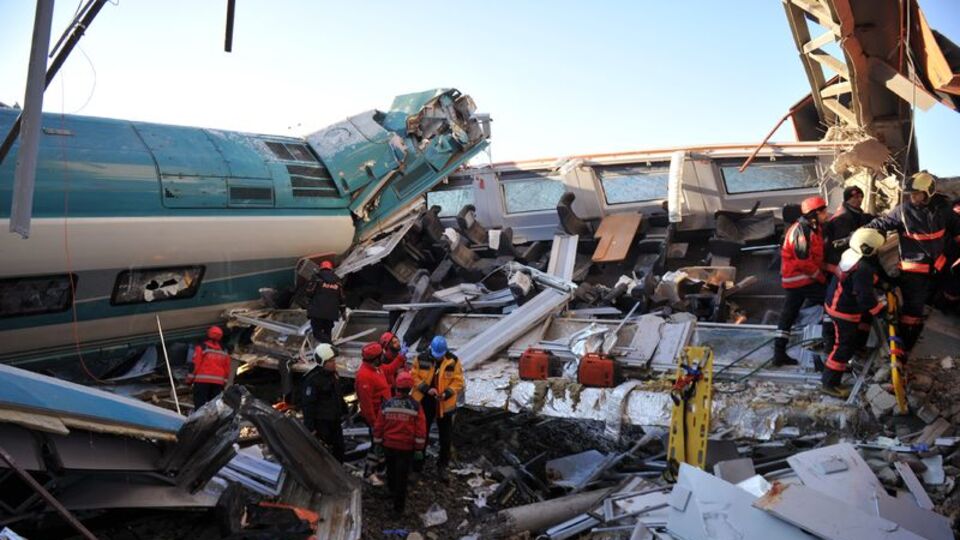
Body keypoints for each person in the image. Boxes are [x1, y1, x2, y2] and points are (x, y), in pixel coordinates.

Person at [866, 171, 960, 357]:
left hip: (937, 268)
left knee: (944, 296)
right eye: (910, 194)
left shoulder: (943, 209)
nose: (912, 197)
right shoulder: (903, 211)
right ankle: (905, 349)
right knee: (912, 312)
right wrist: (864, 232)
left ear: (928, 193)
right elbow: (882, 223)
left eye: (916, 193)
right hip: (913, 273)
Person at [821, 228, 886, 397]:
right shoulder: (862, 267)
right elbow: (865, 297)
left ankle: (855, 352)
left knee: (853, 334)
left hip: (837, 302)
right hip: (843, 310)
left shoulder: (852, 254)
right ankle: (829, 383)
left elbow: (863, 280)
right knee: (843, 346)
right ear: (867, 249)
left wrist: (882, 283)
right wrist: (881, 312)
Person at [773, 196, 829, 366]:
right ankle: (828, 346)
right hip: (802, 279)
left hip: (797, 280)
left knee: (788, 315)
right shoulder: (802, 231)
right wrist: (821, 278)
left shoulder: (812, 227)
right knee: (832, 302)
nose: (826, 214)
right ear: (814, 214)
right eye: (823, 211)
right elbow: (803, 261)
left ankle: (779, 353)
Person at [373, 371, 426, 518]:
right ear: (410, 389)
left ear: (396, 386)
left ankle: (390, 492)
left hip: (389, 446)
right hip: (405, 448)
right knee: (402, 477)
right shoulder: (415, 406)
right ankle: (398, 509)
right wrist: (419, 449)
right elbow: (421, 430)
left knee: (390, 471)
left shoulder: (387, 404)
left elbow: (379, 426)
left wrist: (377, 443)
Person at [410, 335, 464, 479]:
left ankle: (442, 467)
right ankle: (417, 467)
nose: (438, 358)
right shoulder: (421, 358)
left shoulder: (453, 361)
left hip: (444, 403)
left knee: (445, 439)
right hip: (425, 400)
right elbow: (414, 376)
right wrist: (427, 389)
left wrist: (446, 393)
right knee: (421, 436)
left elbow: (458, 381)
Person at [300, 344, 346, 462]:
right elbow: (308, 405)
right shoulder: (312, 380)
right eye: (331, 361)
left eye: (334, 360)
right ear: (323, 362)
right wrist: (311, 428)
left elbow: (338, 394)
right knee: (324, 454)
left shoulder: (333, 374)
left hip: (335, 420)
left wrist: (344, 410)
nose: (334, 363)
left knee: (339, 450)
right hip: (322, 424)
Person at [823, 186, 874, 275]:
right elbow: (839, 243)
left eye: (861, 196)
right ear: (847, 199)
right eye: (856, 197)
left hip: (849, 255)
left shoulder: (856, 213)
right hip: (839, 259)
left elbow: (867, 218)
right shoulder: (842, 218)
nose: (860, 199)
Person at [187, 326, 231, 409]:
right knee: (213, 407)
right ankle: (211, 421)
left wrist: (189, 380)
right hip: (218, 383)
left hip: (202, 381)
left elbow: (195, 365)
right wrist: (224, 382)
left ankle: (199, 420)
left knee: (200, 405)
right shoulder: (224, 350)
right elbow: (227, 369)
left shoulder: (201, 347)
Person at [306, 260, 344, 344]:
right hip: (331, 313)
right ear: (331, 269)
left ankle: (330, 345)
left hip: (317, 311)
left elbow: (309, 292)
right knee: (327, 333)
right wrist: (343, 312)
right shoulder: (338, 280)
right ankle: (329, 352)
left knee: (317, 333)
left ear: (321, 268)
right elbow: (342, 298)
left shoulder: (317, 278)